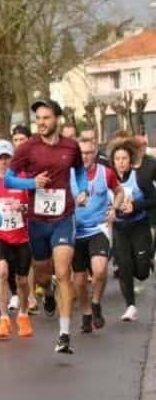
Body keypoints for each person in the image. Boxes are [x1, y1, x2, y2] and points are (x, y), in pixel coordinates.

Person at [6, 98, 88, 354]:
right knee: (42, 274)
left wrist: (83, 190)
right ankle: (48, 292)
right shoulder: (27, 148)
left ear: (57, 119)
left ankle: (64, 334)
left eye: (46, 118)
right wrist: (31, 184)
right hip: (37, 220)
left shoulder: (71, 146)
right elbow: (8, 179)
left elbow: (80, 171)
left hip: (63, 216)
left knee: (63, 271)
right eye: (38, 118)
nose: (41, 123)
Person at [72, 138, 122, 332]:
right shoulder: (69, 174)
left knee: (100, 270)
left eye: (89, 153)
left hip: (98, 228)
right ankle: (86, 312)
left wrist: (114, 208)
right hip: (75, 231)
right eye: (81, 153)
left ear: (95, 154)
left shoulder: (105, 172)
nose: (85, 157)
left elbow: (119, 192)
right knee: (79, 280)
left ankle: (96, 303)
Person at [0, 141, 34, 340]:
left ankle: (23, 314)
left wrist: (22, 208)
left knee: (22, 280)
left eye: (7, 157)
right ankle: (4, 318)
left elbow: (33, 206)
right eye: (0, 157)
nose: (4, 161)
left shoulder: (22, 179)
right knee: (1, 271)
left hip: (21, 236)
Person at [110, 138, 155, 321]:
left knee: (141, 271)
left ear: (130, 160)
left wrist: (135, 206)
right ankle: (130, 306)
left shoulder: (140, 177)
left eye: (124, 158)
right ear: (113, 161)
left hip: (139, 226)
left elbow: (153, 199)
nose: (121, 162)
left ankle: (146, 265)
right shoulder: (109, 179)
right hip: (120, 228)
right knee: (124, 265)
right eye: (117, 159)